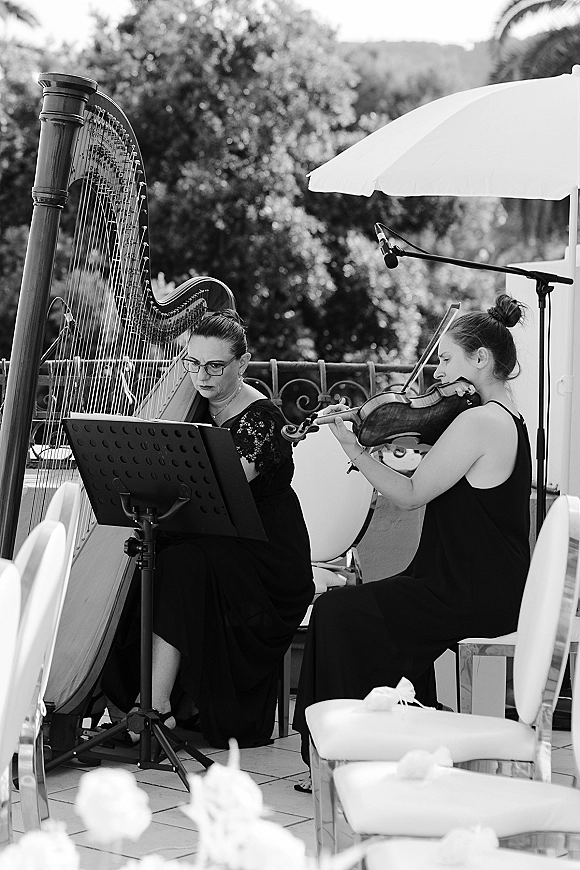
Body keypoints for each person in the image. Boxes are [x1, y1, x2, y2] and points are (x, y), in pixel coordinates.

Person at [292, 293, 532, 774]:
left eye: (446, 359)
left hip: (466, 589)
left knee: (339, 612)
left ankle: (341, 751)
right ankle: (397, 738)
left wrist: (353, 449)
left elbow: (410, 494)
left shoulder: (478, 421)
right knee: (383, 615)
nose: (437, 373)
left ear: (481, 359)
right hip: (489, 582)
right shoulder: (510, 418)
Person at [103, 309, 314, 748]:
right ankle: (117, 705)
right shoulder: (192, 404)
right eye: (192, 363)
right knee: (136, 560)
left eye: (216, 365)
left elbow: (211, 498)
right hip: (211, 544)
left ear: (243, 362)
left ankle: (156, 706)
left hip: (264, 562)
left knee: (179, 564)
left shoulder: (261, 423)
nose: (202, 375)